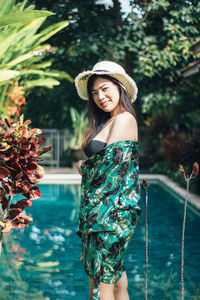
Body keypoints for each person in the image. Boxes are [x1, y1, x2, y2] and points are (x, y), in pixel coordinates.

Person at [74, 61, 141, 300]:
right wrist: (88, 166)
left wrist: (86, 167)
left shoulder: (124, 119)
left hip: (112, 211)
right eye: (94, 93)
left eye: (104, 88)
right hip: (101, 210)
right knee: (113, 277)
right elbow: (102, 163)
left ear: (119, 86)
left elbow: (109, 168)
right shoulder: (108, 122)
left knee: (100, 285)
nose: (100, 97)